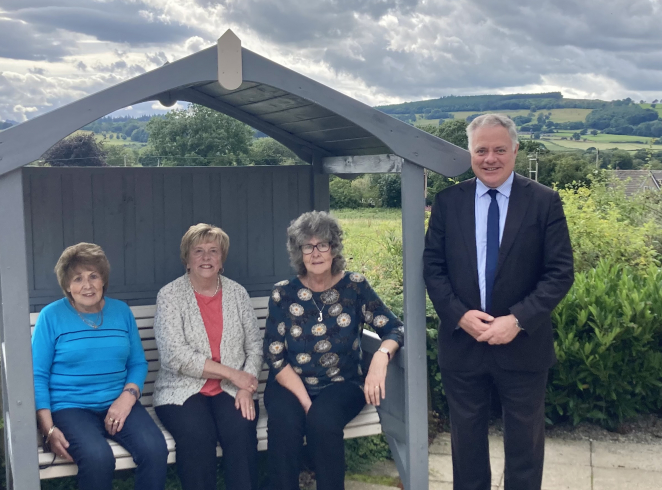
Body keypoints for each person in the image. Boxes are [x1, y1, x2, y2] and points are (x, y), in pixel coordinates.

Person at [423, 113, 574, 490]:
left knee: (525, 449)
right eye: (481, 150)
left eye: (499, 149)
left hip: (523, 346)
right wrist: (459, 316)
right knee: (466, 447)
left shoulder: (544, 202)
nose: (490, 158)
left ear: (515, 151)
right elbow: (433, 267)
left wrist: (518, 320)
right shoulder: (447, 202)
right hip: (463, 346)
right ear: (470, 153)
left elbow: (560, 272)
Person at [263, 211, 404, 490]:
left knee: (324, 423)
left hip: (342, 383)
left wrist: (380, 356)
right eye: (307, 246)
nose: (315, 253)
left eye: (322, 245)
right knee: (284, 425)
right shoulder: (283, 293)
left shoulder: (355, 286)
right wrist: (306, 402)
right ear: (299, 252)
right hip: (290, 383)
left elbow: (394, 328)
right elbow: (275, 357)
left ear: (334, 249)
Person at [32, 243, 168, 490]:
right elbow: (37, 375)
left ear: (103, 279)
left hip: (118, 401)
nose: (87, 285)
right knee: (98, 458)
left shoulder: (121, 311)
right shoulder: (50, 316)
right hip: (70, 407)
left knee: (155, 449)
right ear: (67, 285)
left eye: (94, 276)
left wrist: (127, 398)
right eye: (78, 278)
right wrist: (48, 427)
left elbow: (137, 362)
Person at [153, 223, 264, 490]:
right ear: (186, 259)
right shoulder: (170, 296)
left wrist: (246, 388)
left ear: (222, 259)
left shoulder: (237, 294)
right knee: (198, 437)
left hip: (231, 390)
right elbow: (174, 356)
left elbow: (255, 348)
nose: (206, 257)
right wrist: (232, 374)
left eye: (213, 251)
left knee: (241, 430)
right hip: (181, 390)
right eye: (198, 251)